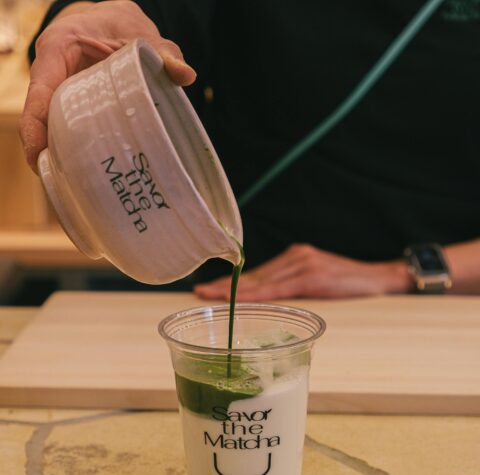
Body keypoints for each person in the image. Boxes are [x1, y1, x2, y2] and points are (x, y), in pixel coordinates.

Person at [21, 0, 480, 301]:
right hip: (233, 283)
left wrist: (401, 275)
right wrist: (81, 19)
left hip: (442, 302)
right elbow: (134, 11)